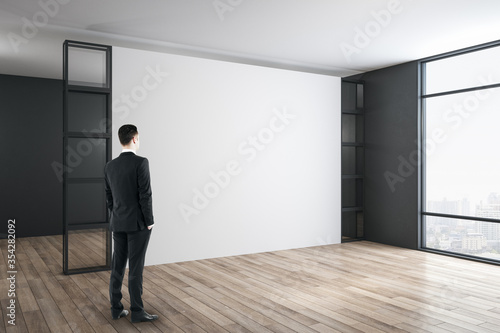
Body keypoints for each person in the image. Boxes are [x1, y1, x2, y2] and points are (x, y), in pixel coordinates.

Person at [104, 124, 158, 323]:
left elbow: (108, 197)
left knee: (117, 267)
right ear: (135, 139)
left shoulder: (109, 166)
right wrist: (149, 221)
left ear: (121, 140)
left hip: (117, 223)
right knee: (136, 268)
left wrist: (116, 214)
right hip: (138, 225)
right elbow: (145, 195)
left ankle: (116, 309)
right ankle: (137, 311)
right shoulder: (141, 162)